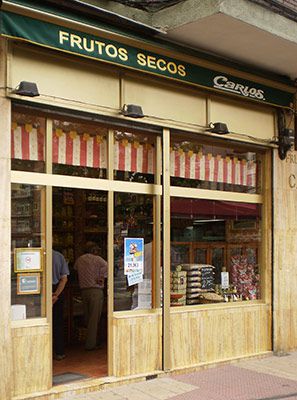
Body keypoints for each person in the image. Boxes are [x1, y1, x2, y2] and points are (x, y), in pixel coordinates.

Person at [74, 242, 108, 351]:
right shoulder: (98, 259)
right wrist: (101, 276)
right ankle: (91, 344)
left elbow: (75, 269)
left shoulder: (79, 260)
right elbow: (107, 266)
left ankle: (89, 340)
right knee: (94, 319)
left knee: (88, 317)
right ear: (94, 250)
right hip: (95, 290)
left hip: (84, 291)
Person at [52, 249, 69, 361]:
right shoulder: (59, 256)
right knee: (57, 323)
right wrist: (56, 295)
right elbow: (64, 279)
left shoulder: (37, 253)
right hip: (56, 289)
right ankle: (59, 352)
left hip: (39, 290)